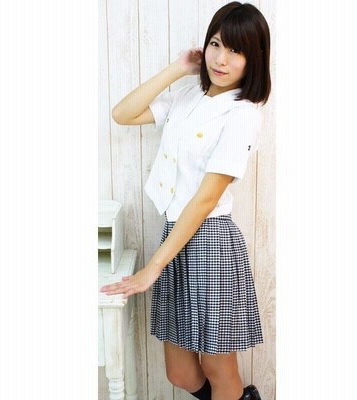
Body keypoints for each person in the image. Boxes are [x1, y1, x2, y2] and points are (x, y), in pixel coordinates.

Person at [100, 2, 271, 399]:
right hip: (174, 237)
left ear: (254, 60)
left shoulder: (243, 114)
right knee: (180, 372)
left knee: (217, 365)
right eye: (216, 44)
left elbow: (206, 199)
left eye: (236, 51)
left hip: (210, 241)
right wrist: (178, 68)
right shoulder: (187, 95)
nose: (221, 59)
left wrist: (153, 268)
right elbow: (122, 114)